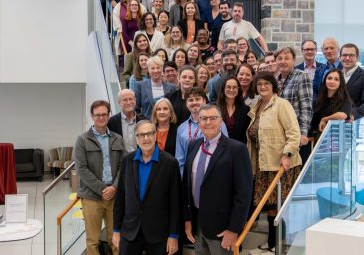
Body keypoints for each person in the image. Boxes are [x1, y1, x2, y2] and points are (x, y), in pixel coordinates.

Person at [183, 104, 252, 254]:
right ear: (199, 122)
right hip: (197, 224)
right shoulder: (193, 146)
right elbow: (187, 188)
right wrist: (187, 220)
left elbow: (243, 195)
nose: (208, 122)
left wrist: (234, 230)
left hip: (223, 229)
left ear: (221, 121)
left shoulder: (237, 149)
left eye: (213, 118)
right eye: (203, 119)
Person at [247, 72, 302, 253]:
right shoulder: (256, 106)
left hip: (282, 165)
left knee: (279, 207)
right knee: (270, 207)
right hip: (263, 163)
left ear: (273, 86)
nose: (262, 87)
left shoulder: (282, 105)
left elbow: (294, 133)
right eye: (259, 84)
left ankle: (280, 244)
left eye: (266, 84)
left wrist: (287, 154)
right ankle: (272, 243)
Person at [112, 120, 180, 255]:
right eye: (141, 135)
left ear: (155, 136)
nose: (146, 138)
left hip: (159, 234)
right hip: (130, 231)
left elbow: (175, 202)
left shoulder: (170, 163)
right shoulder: (127, 161)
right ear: (136, 139)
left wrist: (173, 235)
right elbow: (120, 198)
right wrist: (116, 230)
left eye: (149, 134)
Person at [74, 100, 124, 255]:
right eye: (97, 115)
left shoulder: (117, 138)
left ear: (108, 116)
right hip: (91, 197)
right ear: (92, 117)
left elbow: (123, 166)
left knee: (116, 239)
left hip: (114, 196)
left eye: (104, 114)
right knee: (93, 240)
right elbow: (81, 168)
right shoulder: (82, 140)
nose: (101, 118)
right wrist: (103, 189)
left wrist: (114, 187)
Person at [175, 88, 228, 175]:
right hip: (190, 177)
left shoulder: (217, 123)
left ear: (204, 101)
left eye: (197, 99)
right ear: (186, 104)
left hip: (215, 174)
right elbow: (179, 159)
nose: (194, 102)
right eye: (190, 100)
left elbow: (226, 151)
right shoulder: (181, 128)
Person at [275, 47, 313, 163]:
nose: (283, 61)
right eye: (279, 58)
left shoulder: (302, 76)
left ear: (294, 60)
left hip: (295, 134)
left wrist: (303, 133)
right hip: (279, 133)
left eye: (287, 58)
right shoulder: (276, 80)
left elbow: (306, 107)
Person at [311, 69, 352, 137]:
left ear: (340, 83)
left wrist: (325, 119)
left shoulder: (345, 99)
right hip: (316, 138)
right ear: (325, 81)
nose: (332, 81)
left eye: (336, 79)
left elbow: (342, 115)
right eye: (329, 78)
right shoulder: (319, 98)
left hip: (335, 140)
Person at [340, 43, 364, 120]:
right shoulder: (335, 75)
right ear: (340, 57)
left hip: (351, 123)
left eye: (351, 55)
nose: (347, 58)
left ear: (357, 58)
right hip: (331, 120)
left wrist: (352, 115)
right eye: (344, 55)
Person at [217, 77, 251, 144]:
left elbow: (244, 135)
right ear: (223, 88)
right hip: (217, 149)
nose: (231, 90)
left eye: (234, 87)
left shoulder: (245, 110)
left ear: (238, 90)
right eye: (228, 87)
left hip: (237, 149)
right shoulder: (214, 108)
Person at [313, 37, 343, 103]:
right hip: (321, 109)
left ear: (338, 50)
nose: (329, 51)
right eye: (326, 49)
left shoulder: (345, 68)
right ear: (323, 52)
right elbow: (315, 90)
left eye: (332, 48)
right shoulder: (319, 70)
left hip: (341, 109)